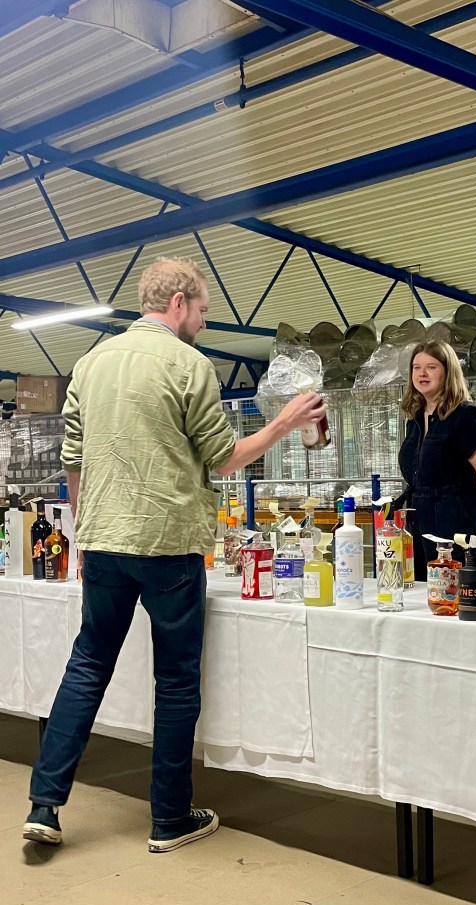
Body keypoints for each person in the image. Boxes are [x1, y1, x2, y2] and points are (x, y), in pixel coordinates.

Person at [22, 257, 326, 853]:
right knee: (176, 680)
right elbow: (224, 458)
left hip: (104, 541)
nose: (204, 323)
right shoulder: (190, 365)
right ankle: (168, 818)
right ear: (180, 302)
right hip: (168, 544)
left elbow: (73, 462)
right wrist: (285, 422)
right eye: (203, 311)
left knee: (88, 664)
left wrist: (84, 535)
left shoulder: (90, 363)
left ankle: (45, 804)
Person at [396, 339, 476, 578]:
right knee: (424, 590)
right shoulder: (415, 419)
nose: (422, 373)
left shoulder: (465, 416)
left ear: (448, 371)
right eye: (416, 367)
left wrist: (471, 499)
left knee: (464, 589)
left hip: (458, 522)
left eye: (431, 367)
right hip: (420, 520)